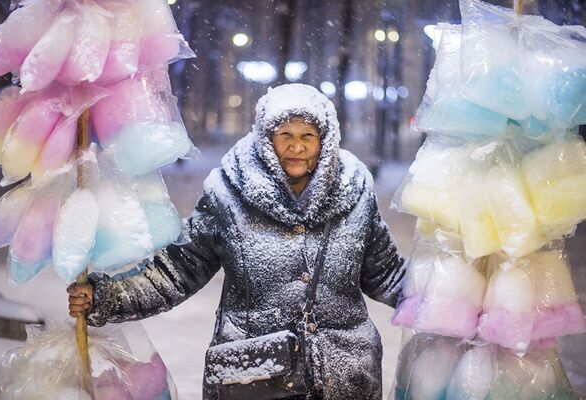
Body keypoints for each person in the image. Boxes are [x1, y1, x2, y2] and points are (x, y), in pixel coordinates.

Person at [68, 83, 405, 400]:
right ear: (265, 138)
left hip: (344, 378)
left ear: (326, 140)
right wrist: (106, 297)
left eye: (308, 136)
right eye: (284, 134)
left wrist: (444, 298)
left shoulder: (355, 193)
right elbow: (179, 269)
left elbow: (386, 275)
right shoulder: (229, 194)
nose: (296, 146)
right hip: (255, 375)